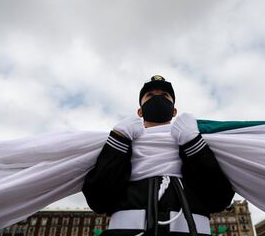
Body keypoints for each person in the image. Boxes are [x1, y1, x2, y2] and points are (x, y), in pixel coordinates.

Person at [82, 76, 234, 236]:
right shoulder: (123, 143)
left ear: (174, 111)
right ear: (140, 111)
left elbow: (219, 199)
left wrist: (193, 143)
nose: (158, 99)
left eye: (164, 96)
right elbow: (98, 200)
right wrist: (118, 140)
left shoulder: (194, 140)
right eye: (150, 96)